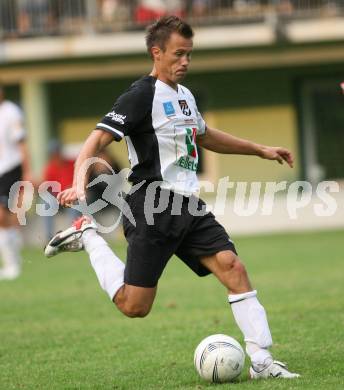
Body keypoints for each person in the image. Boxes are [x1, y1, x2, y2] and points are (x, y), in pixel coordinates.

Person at [44, 16, 300, 379]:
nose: (185, 62)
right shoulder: (140, 96)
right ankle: (88, 235)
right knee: (135, 306)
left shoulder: (185, 96)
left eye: (189, 55)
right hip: (153, 206)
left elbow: (205, 135)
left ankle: (262, 361)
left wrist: (259, 149)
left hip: (190, 205)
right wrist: (77, 181)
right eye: (178, 54)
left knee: (233, 267)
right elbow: (96, 140)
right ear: (157, 52)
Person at [0, 85, 31, 280]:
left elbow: (21, 142)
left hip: (10, 168)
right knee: (6, 219)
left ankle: (12, 264)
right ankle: (13, 261)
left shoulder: (10, 111)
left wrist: (27, 170)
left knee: (2, 216)